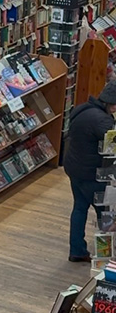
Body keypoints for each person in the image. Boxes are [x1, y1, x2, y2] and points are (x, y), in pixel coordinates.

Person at [65, 81, 116, 262]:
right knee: (106, 215)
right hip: (92, 174)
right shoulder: (103, 120)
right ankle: (106, 257)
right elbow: (113, 147)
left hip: (74, 168)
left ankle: (77, 250)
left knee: (79, 208)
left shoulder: (82, 109)